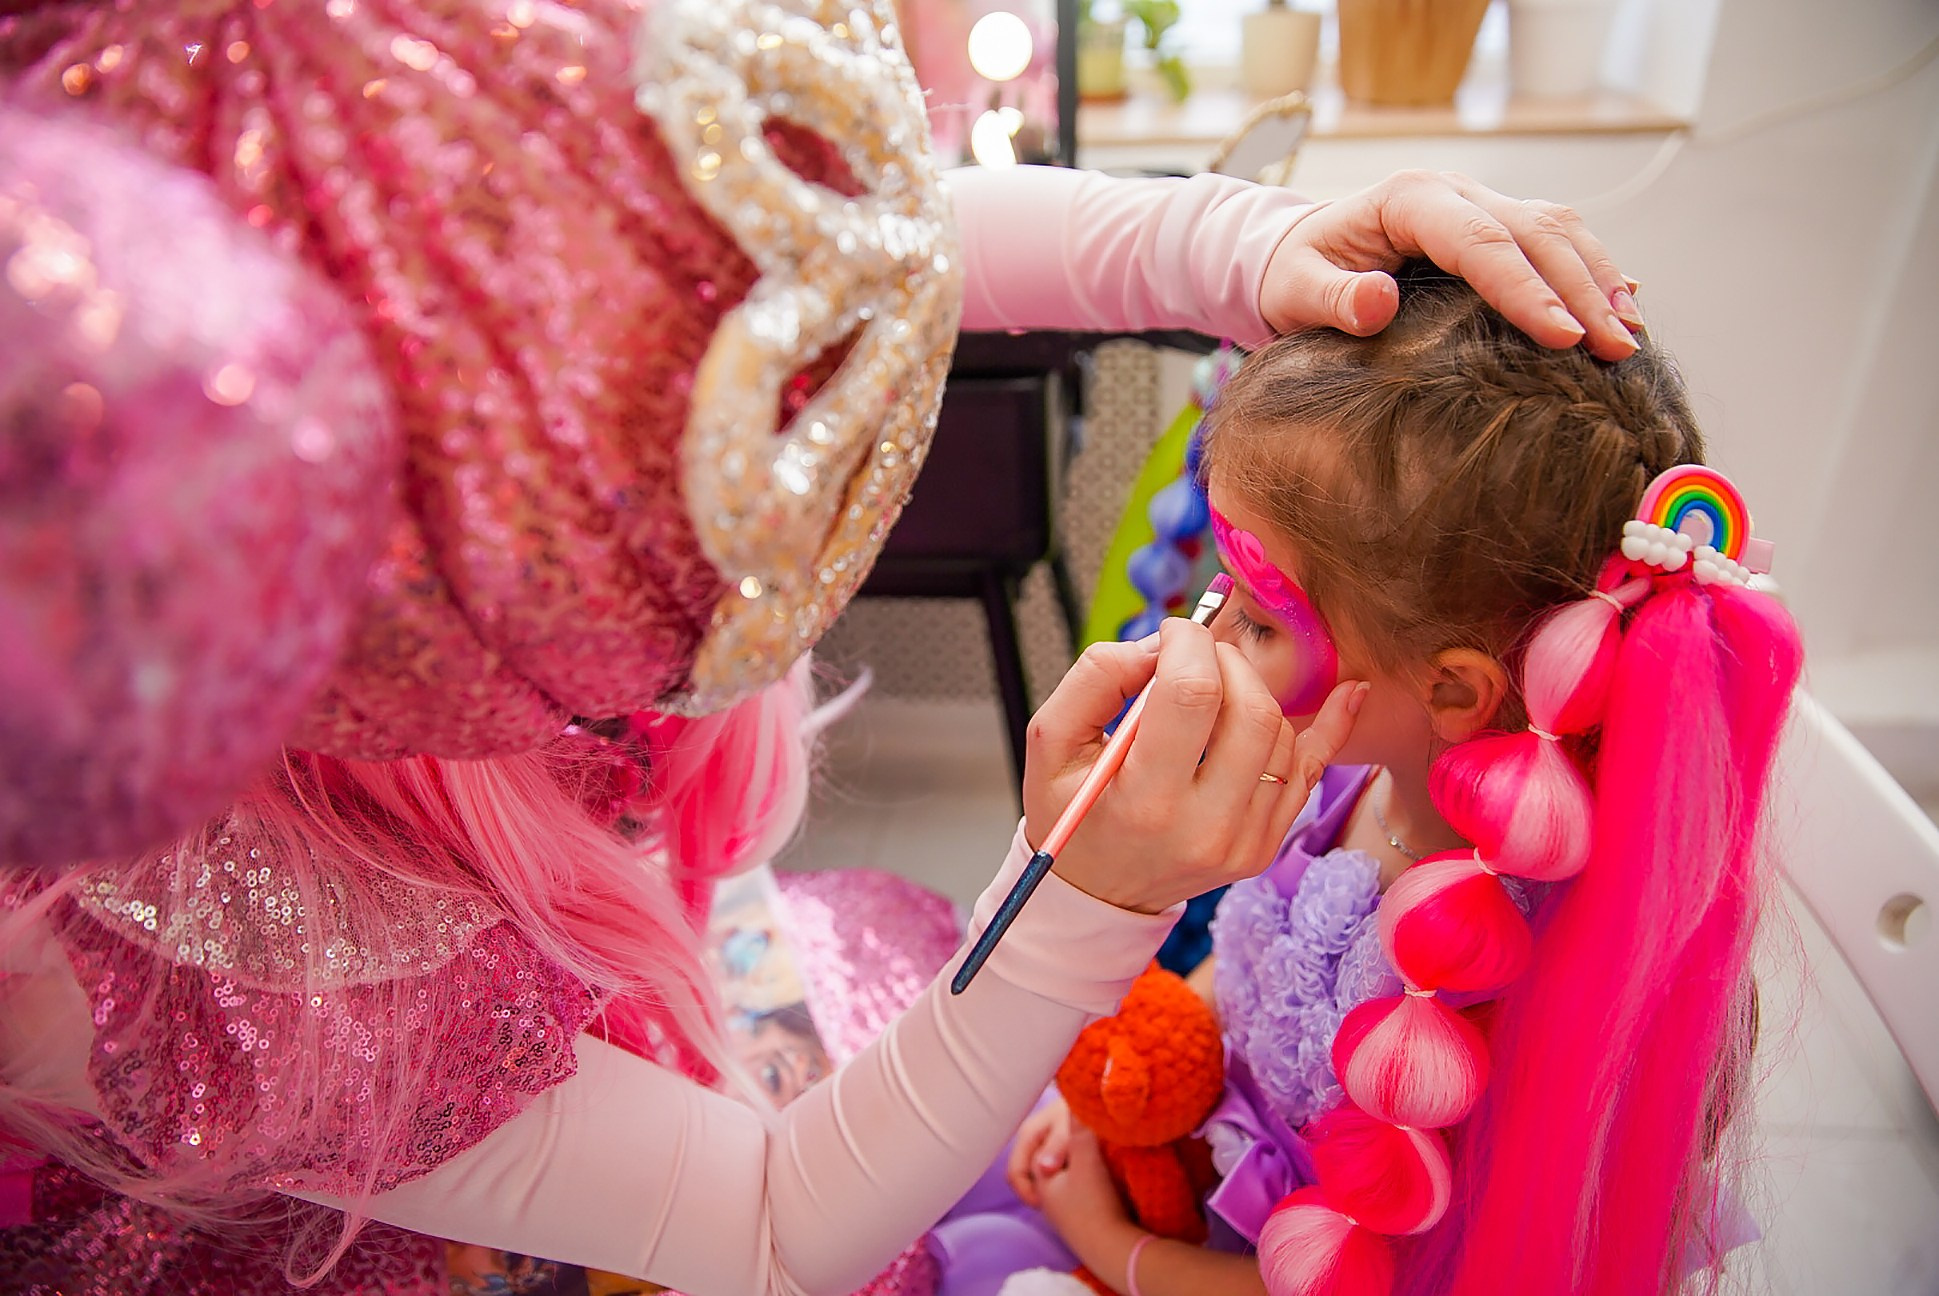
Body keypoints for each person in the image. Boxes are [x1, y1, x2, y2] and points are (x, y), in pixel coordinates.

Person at [0, 4, 1652, 1295]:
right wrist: (1084, 903)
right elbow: (780, 1225)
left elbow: (845, 245)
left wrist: (1228, 242)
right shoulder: (154, 958)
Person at [1006, 263, 1797, 1296]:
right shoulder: (1347, 777)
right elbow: (1255, 982)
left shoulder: (1512, 987)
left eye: (1253, 614)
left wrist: (1110, 1244)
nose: (1201, 638)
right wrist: (1116, 1090)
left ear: (1453, 691)